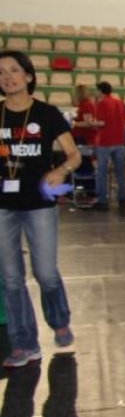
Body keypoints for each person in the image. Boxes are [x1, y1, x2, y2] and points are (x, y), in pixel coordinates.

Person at [0, 50, 82, 367]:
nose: (7, 77)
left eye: (14, 70)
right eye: (1, 72)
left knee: (45, 272)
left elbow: (73, 155)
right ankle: (24, 344)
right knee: (10, 278)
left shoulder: (47, 114)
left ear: (29, 76)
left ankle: (59, 319)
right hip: (3, 205)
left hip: (40, 203)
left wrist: (60, 171)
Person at [91, 81, 125, 210]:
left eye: (96, 90)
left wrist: (92, 123)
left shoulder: (101, 103)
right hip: (119, 140)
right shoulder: (119, 102)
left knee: (102, 171)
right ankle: (122, 197)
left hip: (105, 140)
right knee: (120, 171)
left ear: (100, 91)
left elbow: (102, 122)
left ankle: (102, 200)